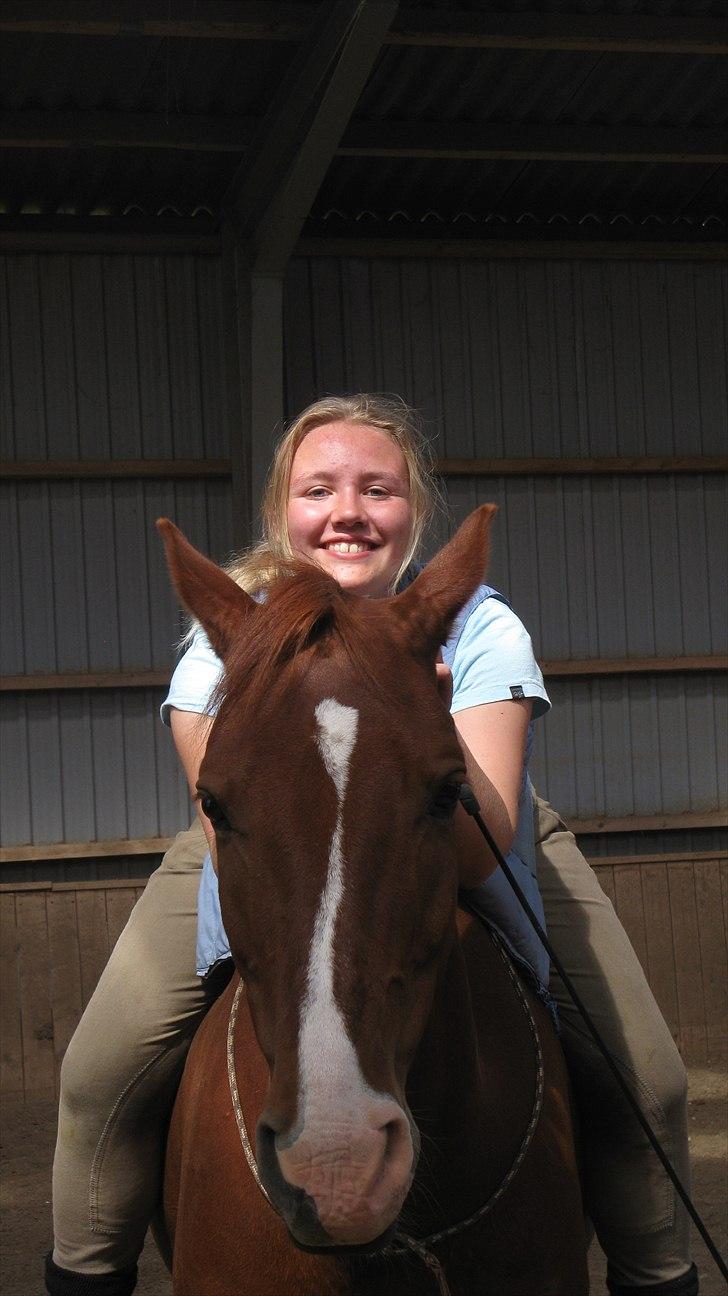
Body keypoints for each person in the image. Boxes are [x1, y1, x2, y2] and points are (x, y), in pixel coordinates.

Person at [46, 394, 697, 1296]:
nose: (348, 510)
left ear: (413, 513)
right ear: (285, 514)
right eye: (319, 489)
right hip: (266, 844)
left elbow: (484, 837)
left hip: (471, 829)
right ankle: (86, 1273)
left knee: (650, 1082)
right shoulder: (221, 638)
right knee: (98, 1075)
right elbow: (227, 820)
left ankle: (658, 1271)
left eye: (377, 489)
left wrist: (407, 715)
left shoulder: (479, 625)